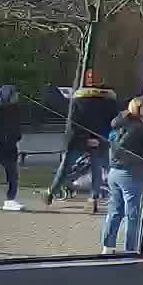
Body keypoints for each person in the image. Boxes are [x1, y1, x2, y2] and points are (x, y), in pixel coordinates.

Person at [53, 72, 118, 205]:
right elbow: (113, 123)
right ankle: (95, 196)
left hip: (79, 139)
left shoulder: (78, 99)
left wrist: (85, 138)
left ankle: (52, 191)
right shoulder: (110, 100)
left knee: (65, 166)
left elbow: (73, 123)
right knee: (98, 168)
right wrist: (100, 138)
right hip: (101, 139)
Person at [101, 98, 143, 254]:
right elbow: (125, 147)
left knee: (115, 211)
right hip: (131, 172)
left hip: (114, 172)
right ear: (136, 109)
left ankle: (108, 246)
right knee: (134, 214)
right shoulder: (139, 127)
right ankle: (131, 249)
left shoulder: (119, 122)